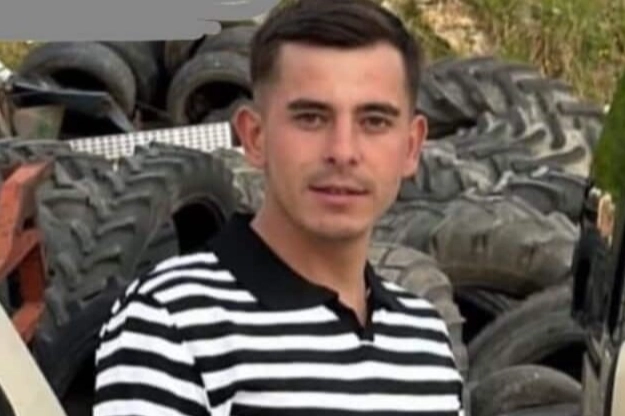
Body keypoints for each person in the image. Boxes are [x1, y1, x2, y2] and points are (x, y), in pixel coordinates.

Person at [93, 0, 465, 415]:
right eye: (311, 118)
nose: (343, 151)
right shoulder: (170, 320)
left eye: (374, 121)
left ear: (411, 147)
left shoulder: (426, 340)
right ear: (255, 136)